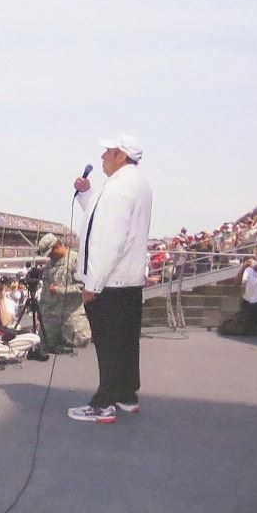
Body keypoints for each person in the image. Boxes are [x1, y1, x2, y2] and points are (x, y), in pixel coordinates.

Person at [69, 134, 154, 424]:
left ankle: (103, 404)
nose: (103, 157)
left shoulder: (118, 188)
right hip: (127, 280)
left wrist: (93, 284)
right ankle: (126, 394)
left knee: (108, 345)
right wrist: (86, 194)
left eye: (108, 152)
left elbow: (108, 239)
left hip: (110, 281)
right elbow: (102, 218)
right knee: (126, 342)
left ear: (120, 155)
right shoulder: (136, 184)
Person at [37, 233, 91, 353]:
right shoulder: (49, 265)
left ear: (57, 246)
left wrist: (60, 290)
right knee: (46, 347)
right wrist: (41, 311)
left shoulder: (77, 260)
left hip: (72, 319)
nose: (50, 257)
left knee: (78, 348)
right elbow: (45, 291)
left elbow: (84, 287)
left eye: (51, 253)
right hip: (52, 319)